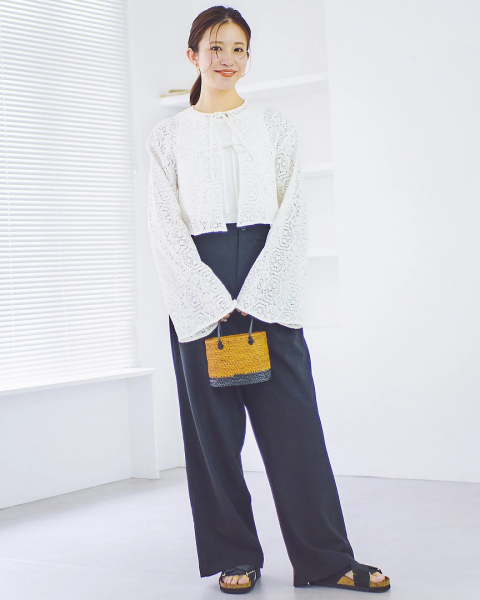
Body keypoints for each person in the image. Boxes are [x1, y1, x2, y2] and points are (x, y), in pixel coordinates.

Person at [146, 5, 391, 595]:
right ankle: (235, 554)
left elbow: (293, 214)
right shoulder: (167, 137)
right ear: (192, 56)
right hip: (198, 289)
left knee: (295, 429)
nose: (227, 59)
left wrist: (257, 294)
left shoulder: (275, 127)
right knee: (213, 439)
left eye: (238, 49)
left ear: (248, 57)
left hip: (268, 284)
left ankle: (326, 559)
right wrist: (211, 298)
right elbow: (164, 226)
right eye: (215, 47)